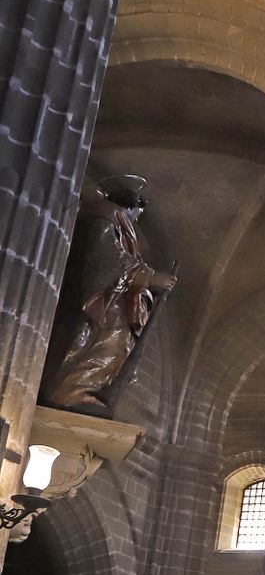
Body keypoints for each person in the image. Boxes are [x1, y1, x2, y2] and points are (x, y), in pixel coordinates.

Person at [41, 175, 177, 414]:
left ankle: (85, 389)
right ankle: (70, 391)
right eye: (137, 214)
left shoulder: (118, 224)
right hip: (103, 301)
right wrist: (150, 276)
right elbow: (105, 257)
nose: (137, 219)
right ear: (130, 207)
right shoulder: (102, 217)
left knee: (116, 344)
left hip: (117, 298)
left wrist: (148, 284)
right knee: (104, 341)